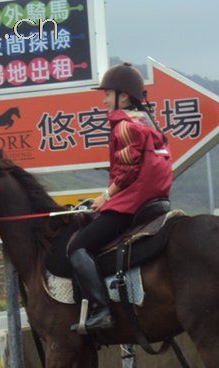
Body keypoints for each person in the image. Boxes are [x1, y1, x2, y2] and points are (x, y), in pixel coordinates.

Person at [67, 63, 174, 331]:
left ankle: (102, 310)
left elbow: (126, 172)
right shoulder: (147, 123)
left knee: (77, 248)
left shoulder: (124, 126)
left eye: (107, 94)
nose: (103, 100)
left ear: (123, 97)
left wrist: (105, 197)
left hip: (129, 205)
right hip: (154, 200)